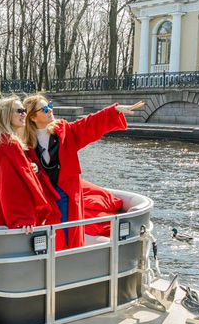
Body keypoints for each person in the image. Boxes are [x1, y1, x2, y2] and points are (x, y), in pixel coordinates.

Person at [21, 95, 145, 250]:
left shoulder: (63, 131)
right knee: (50, 237)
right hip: (46, 199)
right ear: (32, 117)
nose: (50, 110)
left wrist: (114, 111)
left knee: (69, 235)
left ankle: (70, 262)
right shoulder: (25, 143)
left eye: (50, 106)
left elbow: (88, 125)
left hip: (67, 196)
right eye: (45, 109)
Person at [0, 96, 58, 233]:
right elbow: (12, 186)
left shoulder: (1, 142)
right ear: (6, 115)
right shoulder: (10, 145)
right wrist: (23, 218)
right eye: (19, 111)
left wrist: (31, 167)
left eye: (24, 110)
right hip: (9, 222)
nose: (24, 113)